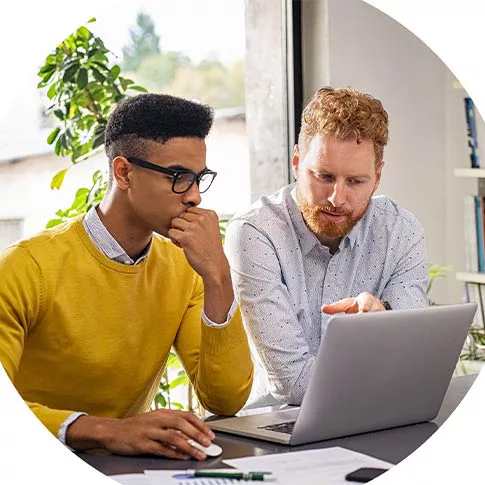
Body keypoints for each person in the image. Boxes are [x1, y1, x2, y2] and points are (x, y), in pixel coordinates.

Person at [0, 93, 253, 460]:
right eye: (179, 177)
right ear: (124, 173)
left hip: (124, 469)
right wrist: (104, 430)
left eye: (200, 178)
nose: (195, 196)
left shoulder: (186, 266)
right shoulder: (25, 268)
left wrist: (219, 278)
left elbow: (225, 399)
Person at [225, 86, 428, 408]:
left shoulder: (400, 230)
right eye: (324, 176)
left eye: (356, 181)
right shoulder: (254, 232)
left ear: (376, 178)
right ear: (296, 162)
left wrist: (385, 316)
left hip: (371, 416)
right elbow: (293, 385)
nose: (337, 198)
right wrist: (384, 351)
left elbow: (416, 354)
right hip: (270, 428)